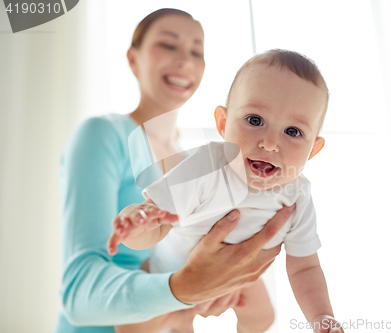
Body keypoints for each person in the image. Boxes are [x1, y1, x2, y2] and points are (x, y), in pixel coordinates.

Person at [56, 9, 294, 333]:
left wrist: (220, 282)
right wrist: (184, 289)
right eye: (168, 45)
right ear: (133, 58)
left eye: (197, 51)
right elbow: (78, 294)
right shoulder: (103, 134)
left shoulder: (199, 166)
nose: (185, 60)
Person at [108, 50, 345, 333]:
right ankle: (178, 319)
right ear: (223, 123)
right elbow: (156, 224)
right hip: (168, 273)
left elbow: (305, 267)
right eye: (255, 120)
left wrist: (322, 317)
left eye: (293, 132)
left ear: (313, 150)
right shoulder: (206, 166)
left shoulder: (298, 194)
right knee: (129, 325)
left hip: (237, 277)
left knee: (262, 318)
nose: (269, 144)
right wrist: (137, 225)